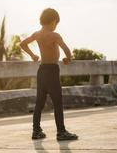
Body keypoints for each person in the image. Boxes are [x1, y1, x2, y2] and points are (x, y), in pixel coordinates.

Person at [20, 8, 78, 141]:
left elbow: (22, 44)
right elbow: (67, 51)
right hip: (52, 71)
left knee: (39, 103)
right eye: (56, 23)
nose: (56, 26)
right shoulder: (55, 35)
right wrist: (67, 59)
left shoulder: (37, 34)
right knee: (57, 102)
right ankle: (61, 132)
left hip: (41, 71)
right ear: (53, 21)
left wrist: (33, 55)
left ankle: (36, 131)